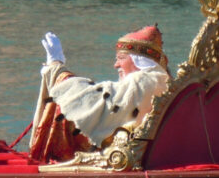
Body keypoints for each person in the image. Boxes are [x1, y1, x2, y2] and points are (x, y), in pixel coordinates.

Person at [29, 25, 170, 163]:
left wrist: (56, 67)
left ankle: (54, 159)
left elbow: (90, 101)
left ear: (137, 59)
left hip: (125, 159)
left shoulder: (140, 82)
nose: (116, 65)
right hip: (148, 153)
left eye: (121, 58)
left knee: (65, 108)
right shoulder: (161, 79)